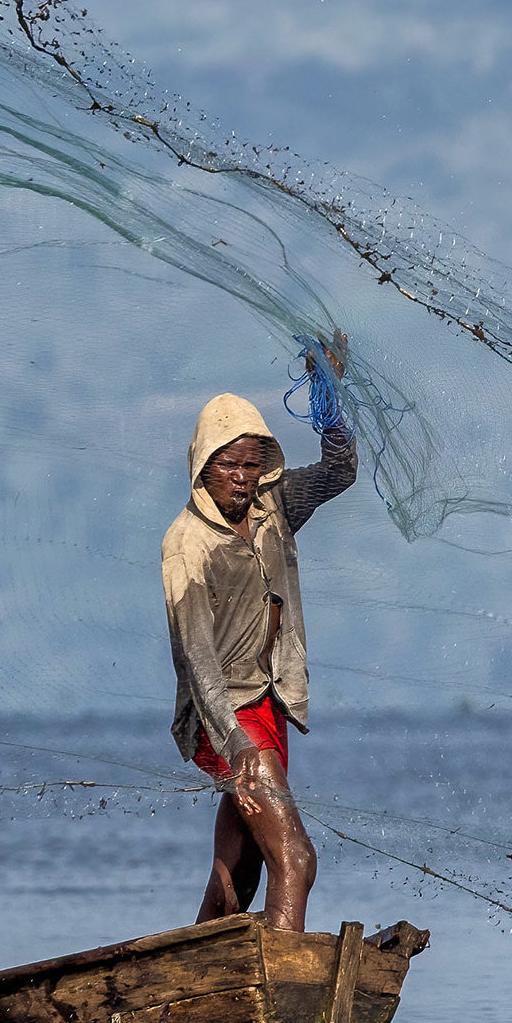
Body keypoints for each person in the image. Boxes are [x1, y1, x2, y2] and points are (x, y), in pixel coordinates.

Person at [164, 337, 358, 932]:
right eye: (230, 466)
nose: (243, 479)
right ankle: (285, 1002)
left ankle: (190, 981)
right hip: (226, 718)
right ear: (204, 467)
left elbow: (339, 470)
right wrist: (235, 744)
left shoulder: (275, 507)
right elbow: (196, 660)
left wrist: (327, 389)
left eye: (253, 464)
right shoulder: (187, 546)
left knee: (237, 878)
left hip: (266, 706)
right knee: (295, 858)